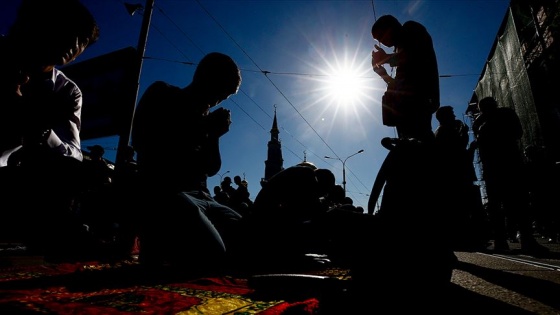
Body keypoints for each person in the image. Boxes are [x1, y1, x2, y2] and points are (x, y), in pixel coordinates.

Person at [0, 0, 100, 255]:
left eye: (83, 42)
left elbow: (72, 152)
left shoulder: (66, 90)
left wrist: (41, 131)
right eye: (70, 33)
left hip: (12, 176)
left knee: (75, 171)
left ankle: (49, 236)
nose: (76, 45)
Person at [131, 52, 243, 271]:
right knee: (212, 255)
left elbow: (211, 168)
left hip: (203, 198)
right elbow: (146, 144)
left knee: (254, 240)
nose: (218, 99)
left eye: (225, 96)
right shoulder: (163, 94)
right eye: (220, 90)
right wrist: (203, 130)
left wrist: (214, 136)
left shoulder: (207, 119)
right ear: (204, 77)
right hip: (165, 193)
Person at [471, 96, 548, 255]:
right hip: (510, 165)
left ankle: (502, 241)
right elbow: (518, 133)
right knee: (518, 203)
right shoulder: (503, 115)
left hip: (495, 168)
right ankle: (525, 240)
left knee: (498, 206)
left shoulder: (480, 123)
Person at [371, 14, 439, 143]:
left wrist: (386, 58)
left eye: (380, 36)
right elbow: (399, 85)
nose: (382, 42)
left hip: (418, 102)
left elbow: (415, 54)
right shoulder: (399, 48)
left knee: (420, 142)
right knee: (409, 144)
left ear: (390, 27)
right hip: (405, 107)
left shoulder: (411, 28)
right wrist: (383, 74)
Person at [434, 106, 488, 250]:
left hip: (454, 176)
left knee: (461, 208)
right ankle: (466, 240)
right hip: (457, 175)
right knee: (463, 207)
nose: (454, 116)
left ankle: (465, 239)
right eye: (451, 114)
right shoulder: (446, 132)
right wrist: (469, 145)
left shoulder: (441, 132)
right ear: (444, 117)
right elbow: (457, 153)